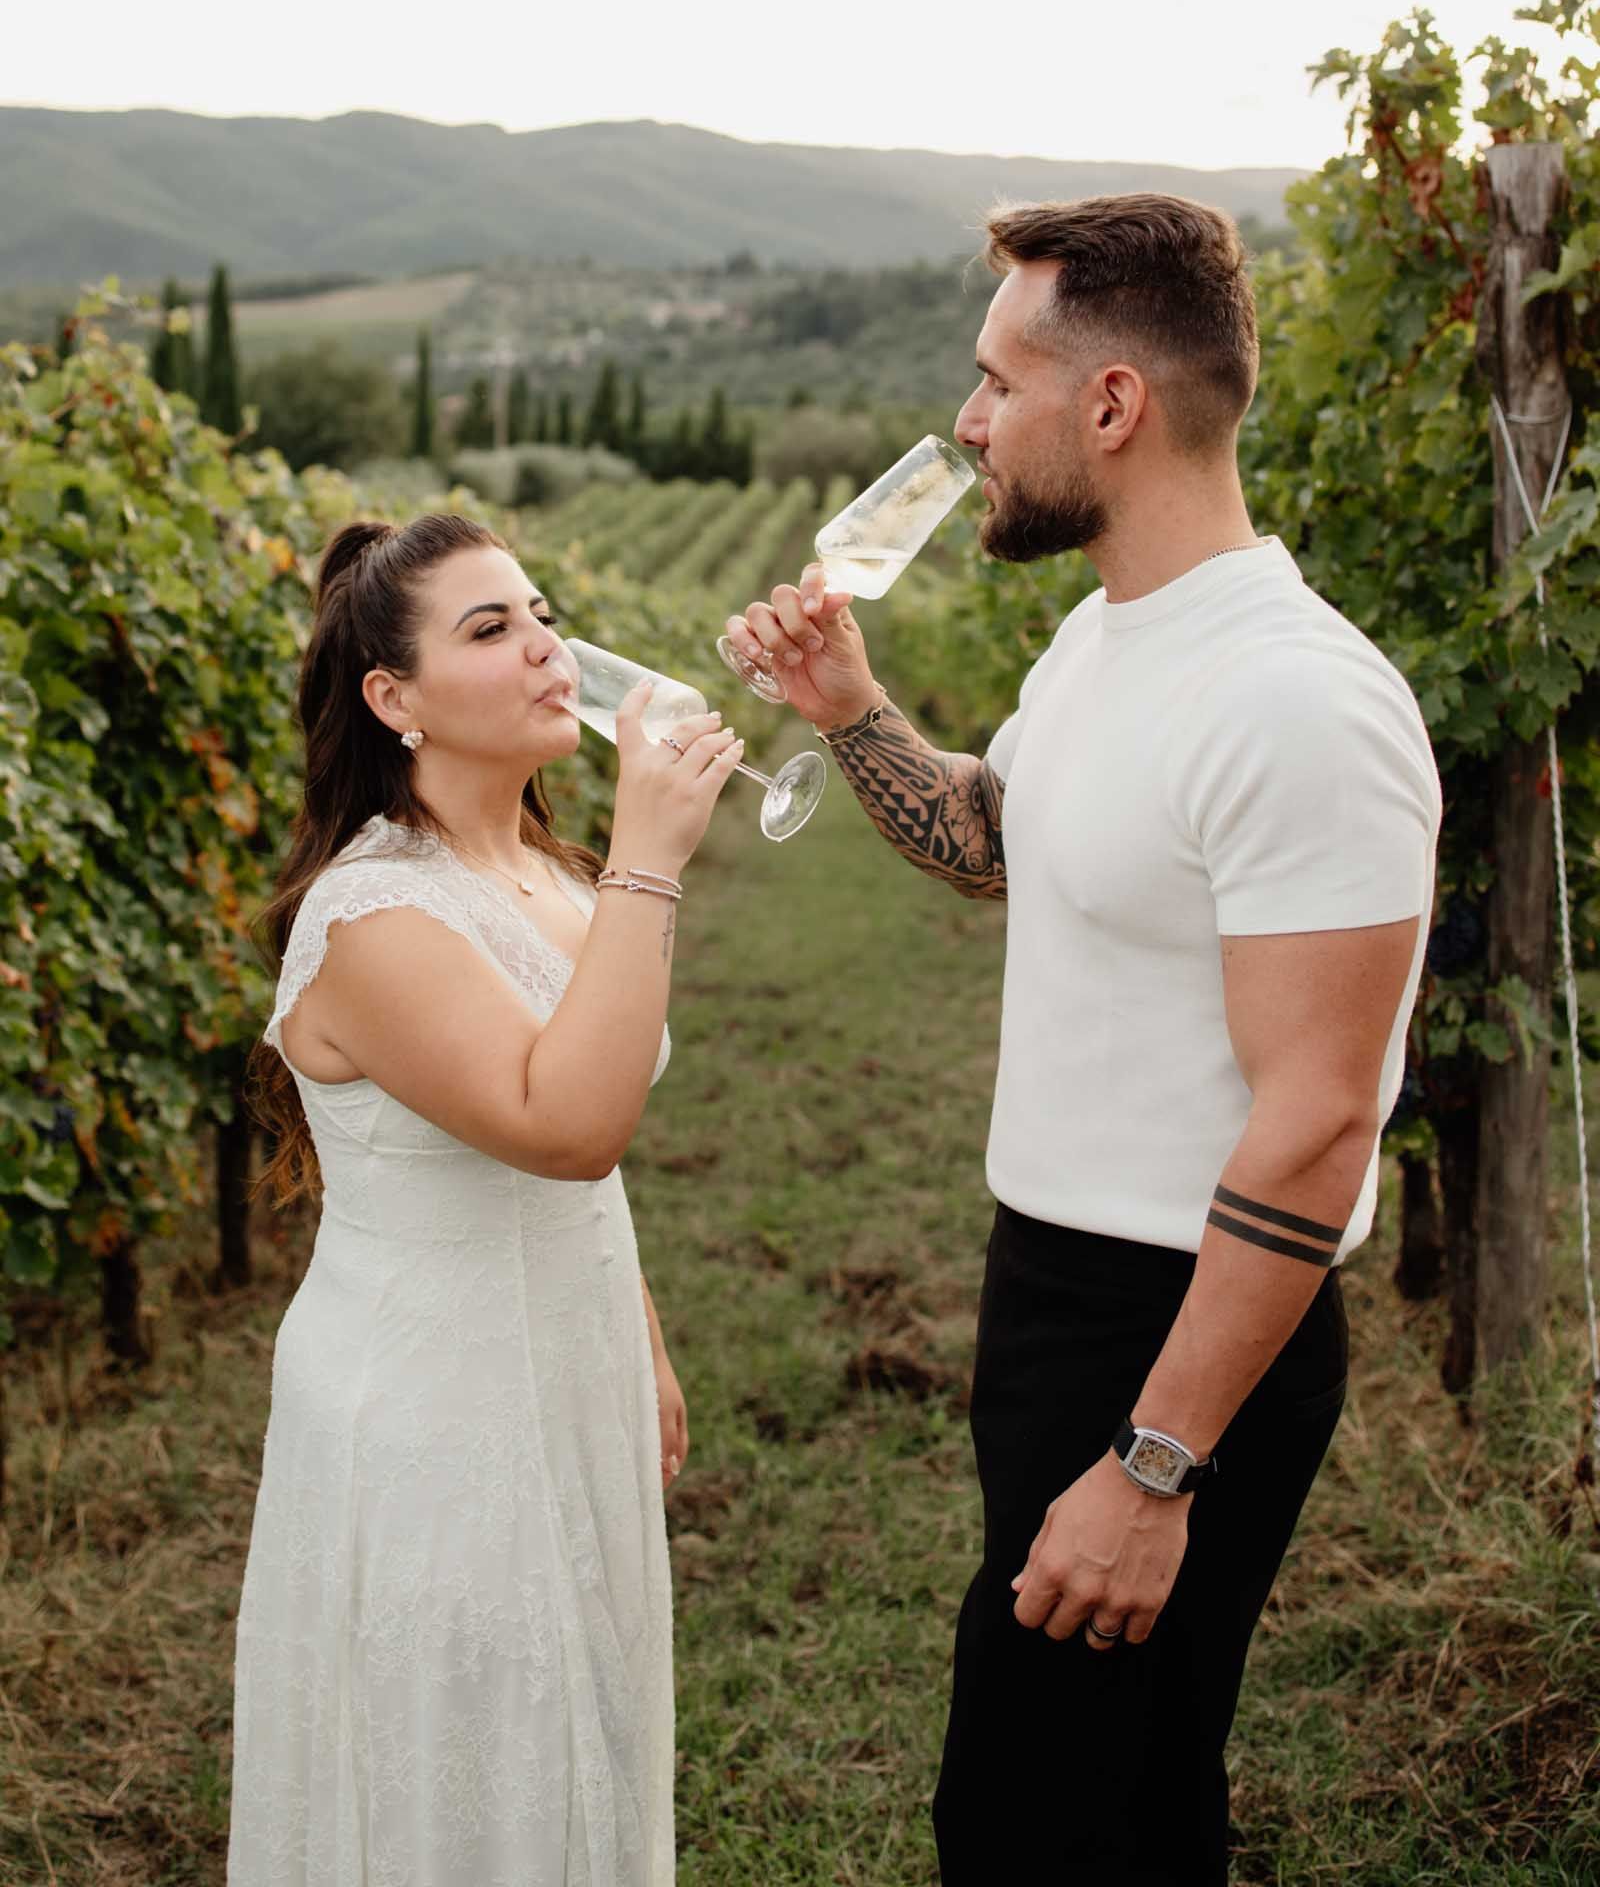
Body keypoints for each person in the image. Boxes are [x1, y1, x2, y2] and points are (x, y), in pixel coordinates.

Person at [724, 194, 1441, 1886]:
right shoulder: (1105, 635)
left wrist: (1156, 1460)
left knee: (1053, 1824)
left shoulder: (1301, 705)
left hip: (1178, 1331)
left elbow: (1324, 1120)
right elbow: (999, 839)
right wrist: (850, 708)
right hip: (1057, 1291)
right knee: (1083, 1812)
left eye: (992, 385)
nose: (965, 428)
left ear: (1111, 405)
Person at [229, 511, 745, 1887]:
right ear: (393, 701)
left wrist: (632, 1325)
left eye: (541, 613)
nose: (547, 648)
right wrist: (650, 853)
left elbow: (592, 1150)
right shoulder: (373, 918)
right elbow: (562, 1125)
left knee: (580, 1727)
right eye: (491, 628)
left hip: (563, 1371)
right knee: (462, 1762)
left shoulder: (549, 881)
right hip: (433, 1414)